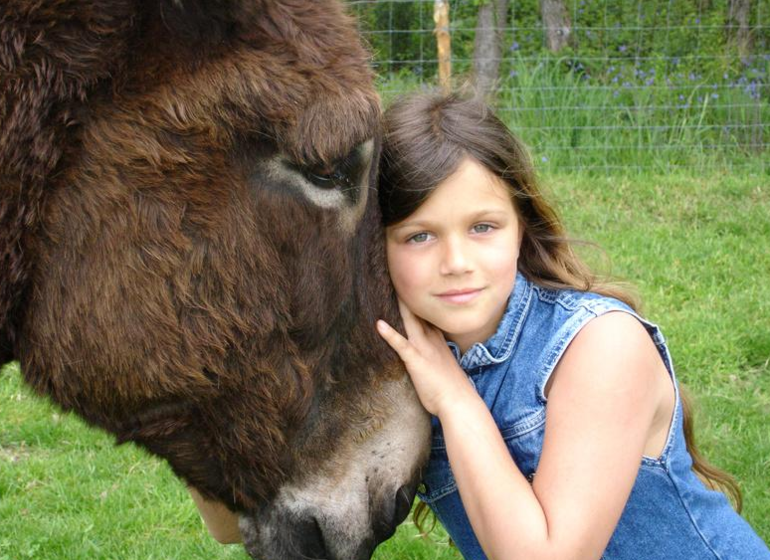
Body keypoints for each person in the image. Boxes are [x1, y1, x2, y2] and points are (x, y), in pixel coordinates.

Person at [374, 91, 770, 560]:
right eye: (419, 236)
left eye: (483, 227)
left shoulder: (600, 345)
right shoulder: (407, 357)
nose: (456, 262)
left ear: (521, 227)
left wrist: (455, 398)